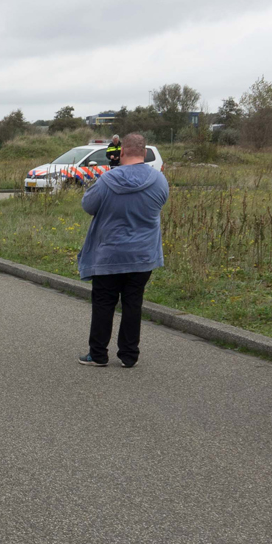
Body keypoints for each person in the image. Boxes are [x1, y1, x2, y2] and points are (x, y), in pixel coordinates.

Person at [77, 132, 168, 368]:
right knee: (133, 303)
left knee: (104, 303)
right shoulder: (159, 180)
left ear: (122, 151)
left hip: (110, 254)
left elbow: (88, 205)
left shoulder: (108, 180)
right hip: (143, 255)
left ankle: (98, 354)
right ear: (145, 152)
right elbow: (159, 204)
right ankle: (129, 355)